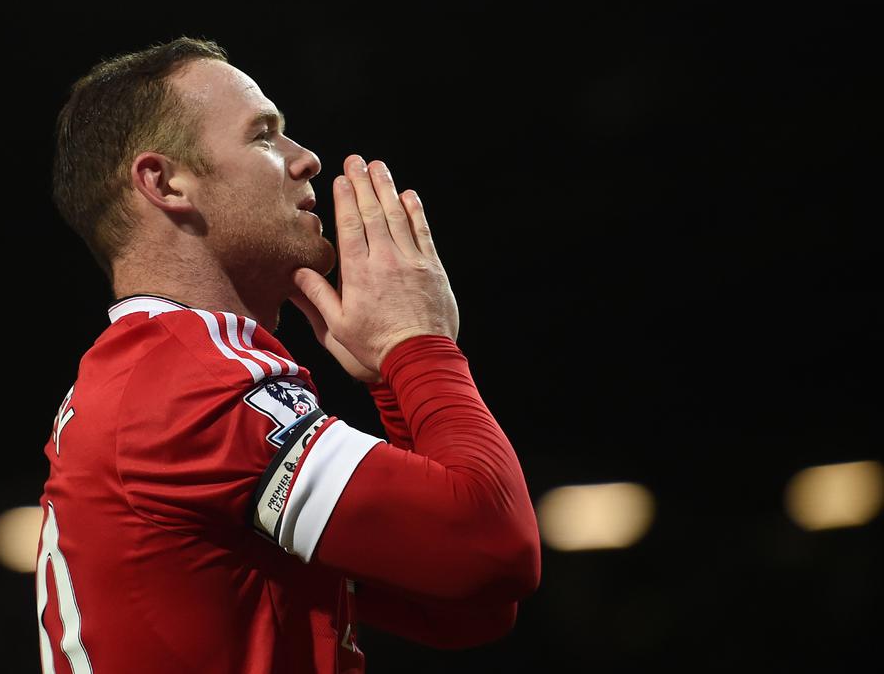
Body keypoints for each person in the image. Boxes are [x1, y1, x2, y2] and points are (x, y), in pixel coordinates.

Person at [35, 36, 541, 674]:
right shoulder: (191, 381)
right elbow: (493, 550)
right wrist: (420, 345)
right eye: (264, 136)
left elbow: (467, 602)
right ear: (165, 182)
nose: (306, 160)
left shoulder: (154, 371)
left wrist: (391, 380)